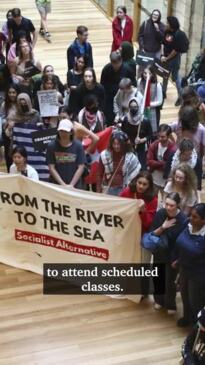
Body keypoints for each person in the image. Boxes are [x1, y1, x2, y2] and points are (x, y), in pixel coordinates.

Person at [150, 192, 186, 313]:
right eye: (167, 204)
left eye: (172, 205)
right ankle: (159, 300)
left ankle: (170, 304)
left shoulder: (183, 219)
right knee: (158, 278)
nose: (169, 208)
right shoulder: (160, 214)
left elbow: (183, 242)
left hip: (173, 255)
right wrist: (163, 227)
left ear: (178, 205)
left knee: (170, 281)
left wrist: (178, 259)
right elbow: (153, 234)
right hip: (159, 252)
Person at [174, 204, 205, 326]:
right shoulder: (187, 223)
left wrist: (187, 244)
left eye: (195, 217)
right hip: (184, 267)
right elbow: (180, 242)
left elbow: (193, 249)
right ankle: (187, 318)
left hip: (198, 274)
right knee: (184, 295)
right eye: (191, 215)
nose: (190, 218)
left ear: (204, 220)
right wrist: (177, 258)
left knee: (195, 301)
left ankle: (197, 327)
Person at [9, 93, 49, 181]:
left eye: (25, 103)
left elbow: (43, 132)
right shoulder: (13, 115)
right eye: (21, 104)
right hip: (19, 144)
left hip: (34, 147)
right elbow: (7, 132)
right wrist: (9, 126)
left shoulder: (35, 114)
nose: (23, 105)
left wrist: (41, 126)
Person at [96, 130, 141, 195]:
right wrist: (98, 191)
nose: (116, 146)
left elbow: (135, 177)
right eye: (114, 144)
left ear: (124, 144)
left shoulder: (131, 158)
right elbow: (99, 175)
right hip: (108, 189)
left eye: (119, 144)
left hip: (124, 190)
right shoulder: (104, 156)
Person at [46, 118, 86, 188]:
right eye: (61, 131)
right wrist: (63, 185)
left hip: (76, 186)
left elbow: (81, 167)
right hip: (57, 186)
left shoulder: (78, 146)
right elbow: (51, 167)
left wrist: (71, 185)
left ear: (71, 132)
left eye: (66, 131)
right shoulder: (51, 146)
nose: (63, 134)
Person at [100, 51, 136, 125]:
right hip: (109, 98)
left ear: (121, 60)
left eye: (117, 63)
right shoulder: (106, 69)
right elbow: (102, 84)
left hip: (123, 98)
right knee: (109, 119)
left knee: (123, 120)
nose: (115, 66)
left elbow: (134, 84)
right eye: (113, 63)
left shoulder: (128, 69)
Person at [120, 171, 158, 235]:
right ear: (136, 181)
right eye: (139, 183)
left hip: (140, 230)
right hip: (125, 225)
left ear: (149, 186)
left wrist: (143, 211)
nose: (141, 186)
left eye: (144, 184)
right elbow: (118, 207)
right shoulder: (127, 191)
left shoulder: (153, 199)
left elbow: (148, 224)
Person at [121, 97, 153, 170]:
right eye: (131, 107)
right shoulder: (126, 119)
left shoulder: (145, 121)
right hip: (129, 147)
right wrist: (127, 140)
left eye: (135, 107)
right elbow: (122, 133)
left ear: (138, 107)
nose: (133, 108)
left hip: (141, 148)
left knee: (142, 168)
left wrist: (141, 140)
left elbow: (150, 135)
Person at [147, 124, 176, 198]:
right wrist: (163, 163)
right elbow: (149, 162)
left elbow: (171, 166)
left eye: (163, 137)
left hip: (166, 180)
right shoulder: (154, 145)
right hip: (154, 179)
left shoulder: (173, 149)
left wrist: (156, 164)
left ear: (169, 136)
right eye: (158, 136)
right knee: (152, 199)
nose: (160, 139)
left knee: (167, 201)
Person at [161, 16, 184, 105]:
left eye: (167, 23)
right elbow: (163, 43)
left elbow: (175, 50)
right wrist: (163, 55)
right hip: (166, 58)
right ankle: (163, 93)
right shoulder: (167, 31)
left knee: (175, 78)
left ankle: (181, 97)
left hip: (174, 60)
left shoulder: (178, 34)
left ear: (172, 25)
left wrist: (167, 58)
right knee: (165, 75)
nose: (166, 24)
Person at [137, 67, 163, 133]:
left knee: (152, 131)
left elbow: (160, 101)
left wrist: (147, 104)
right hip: (141, 109)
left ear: (153, 74)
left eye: (149, 73)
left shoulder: (158, 85)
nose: (146, 75)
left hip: (152, 110)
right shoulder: (139, 81)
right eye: (145, 73)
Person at [0, 84, 20, 171]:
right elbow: (2, 117)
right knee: (9, 155)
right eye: (10, 92)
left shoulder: (21, 102)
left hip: (19, 132)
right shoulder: (4, 104)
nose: (12, 94)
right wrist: (8, 122)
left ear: (17, 93)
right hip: (8, 133)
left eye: (14, 92)